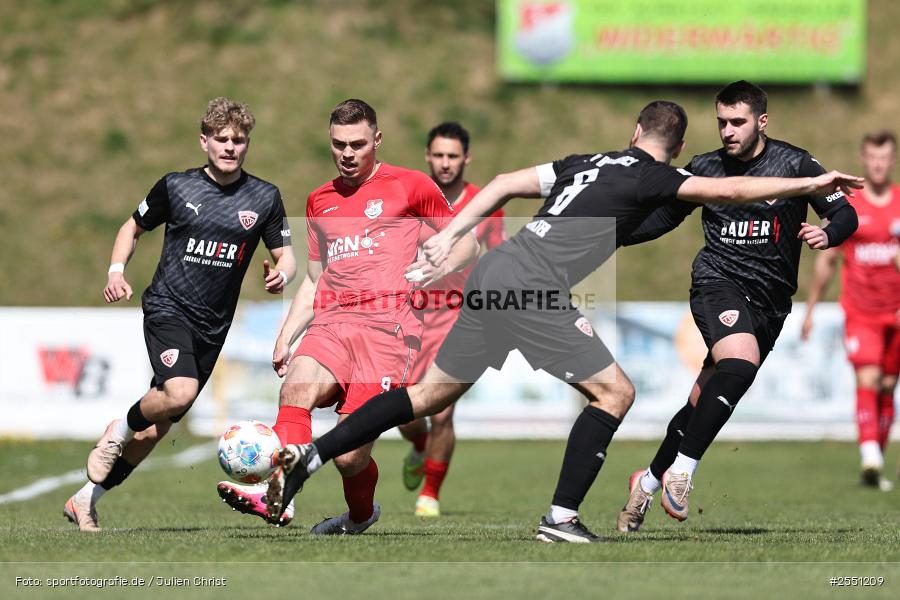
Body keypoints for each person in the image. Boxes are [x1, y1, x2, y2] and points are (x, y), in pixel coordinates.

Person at [263, 100, 862, 543]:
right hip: (532, 286)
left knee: (423, 395)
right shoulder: (660, 174)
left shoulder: (585, 162)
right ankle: (561, 518)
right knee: (615, 392)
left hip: (496, 270)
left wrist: (448, 236)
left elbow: (499, 183)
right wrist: (813, 181)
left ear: (634, 132)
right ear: (676, 148)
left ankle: (312, 458)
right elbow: (730, 192)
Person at [217, 100, 479, 533]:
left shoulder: (412, 185)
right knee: (295, 390)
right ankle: (278, 496)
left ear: (377, 140)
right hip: (332, 325)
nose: (348, 153)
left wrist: (438, 265)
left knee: (349, 457)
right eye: (339, 145)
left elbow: (467, 245)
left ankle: (360, 516)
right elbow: (315, 279)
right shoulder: (320, 200)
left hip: (388, 333)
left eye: (358, 144)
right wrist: (286, 335)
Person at [615, 81, 859, 533]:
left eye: (737, 122)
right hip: (718, 281)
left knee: (701, 401)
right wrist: (611, 233)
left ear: (761, 122)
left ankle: (647, 481)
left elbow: (844, 213)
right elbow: (665, 217)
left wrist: (829, 234)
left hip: (771, 301)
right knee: (740, 362)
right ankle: (683, 470)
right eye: (721, 122)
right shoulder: (706, 167)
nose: (727, 131)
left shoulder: (794, 163)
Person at [64, 97, 296, 532]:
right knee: (181, 392)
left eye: (239, 140)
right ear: (204, 141)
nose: (230, 146)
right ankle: (117, 431)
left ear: (248, 144)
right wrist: (117, 271)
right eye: (222, 139)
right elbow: (132, 227)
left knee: (155, 430)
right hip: (168, 308)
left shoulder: (264, 197)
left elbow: (286, 256)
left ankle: (84, 499)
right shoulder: (176, 187)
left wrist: (282, 274)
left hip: (214, 326)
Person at [397, 122, 506, 517]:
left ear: (466, 158)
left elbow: (497, 258)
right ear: (428, 155)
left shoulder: (485, 203)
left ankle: (430, 495)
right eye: (438, 155)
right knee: (404, 409)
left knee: (441, 410)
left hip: (458, 318)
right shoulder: (409, 198)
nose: (445, 163)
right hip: (409, 318)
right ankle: (419, 446)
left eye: (453, 156)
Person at [801, 130, 900, 491]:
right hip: (861, 312)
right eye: (872, 157)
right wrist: (811, 308)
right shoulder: (849, 206)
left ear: (892, 161)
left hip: (897, 313)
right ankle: (870, 455)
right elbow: (827, 260)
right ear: (863, 159)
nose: (877, 164)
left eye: (884, 157)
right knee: (868, 379)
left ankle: (874, 462)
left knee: (888, 386)